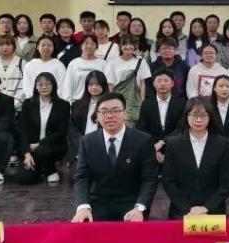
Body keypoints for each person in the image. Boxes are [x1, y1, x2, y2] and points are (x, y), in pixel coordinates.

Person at [72, 92, 158, 222]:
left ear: (125, 114)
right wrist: (83, 207)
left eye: (115, 111)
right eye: (104, 111)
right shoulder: (87, 141)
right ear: (97, 116)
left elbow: (149, 179)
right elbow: (82, 177)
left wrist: (140, 207)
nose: (109, 116)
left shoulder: (143, 140)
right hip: (98, 202)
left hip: (131, 203)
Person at [162, 97, 229, 219]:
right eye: (194, 115)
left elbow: (226, 183)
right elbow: (168, 181)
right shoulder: (173, 144)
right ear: (186, 116)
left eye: (203, 115)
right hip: (181, 211)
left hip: (213, 211)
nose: (199, 120)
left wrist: (207, 208)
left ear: (210, 117)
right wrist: (187, 208)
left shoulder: (222, 144)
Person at [17, 73, 70, 185]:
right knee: (25, 178)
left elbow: (62, 132)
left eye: (47, 84)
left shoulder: (63, 105)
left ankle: (50, 169)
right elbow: (23, 131)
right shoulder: (28, 104)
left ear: (53, 86)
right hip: (31, 148)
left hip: (53, 146)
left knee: (42, 150)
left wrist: (38, 144)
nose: (44, 87)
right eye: (40, 84)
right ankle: (40, 168)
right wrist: (26, 153)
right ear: (36, 87)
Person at [136, 68, 185, 164]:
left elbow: (181, 128)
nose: (162, 84)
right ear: (154, 84)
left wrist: (163, 142)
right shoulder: (147, 104)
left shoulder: (181, 103)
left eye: (166, 81)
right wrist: (154, 149)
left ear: (172, 83)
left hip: (175, 146)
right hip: (152, 147)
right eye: (159, 81)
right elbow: (142, 128)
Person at [105, 36, 152, 126]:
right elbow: (110, 84)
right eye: (125, 44)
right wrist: (110, 101)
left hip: (134, 100)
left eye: (131, 44)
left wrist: (142, 101)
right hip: (117, 98)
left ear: (135, 46)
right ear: (120, 46)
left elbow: (142, 84)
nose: (128, 47)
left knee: (133, 124)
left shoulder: (141, 61)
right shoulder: (112, 62)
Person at [68, 70, 108, 165]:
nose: (94, 87)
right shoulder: (77, 105)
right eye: (90, 84)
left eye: (97, 84)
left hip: (102, 150)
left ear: (103, 85)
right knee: (78, 173)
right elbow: (72, 129)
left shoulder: (110, 106)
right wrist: (83, 145)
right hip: (80, 149)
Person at [60, 34, 106, 103]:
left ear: (96, 47)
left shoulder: (102, 63)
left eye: (92, 44)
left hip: (97, 103)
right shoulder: (74, 63)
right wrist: (68, 102)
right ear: (81, 46)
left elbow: (106, 85)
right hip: (77, 102)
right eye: (86, 43)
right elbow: (67, 85)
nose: (89, 46)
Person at [0, 35, 25, 110]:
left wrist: (12, 105)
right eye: (1, 44)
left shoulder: (22, 63)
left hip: (17, 108)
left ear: (14, 46)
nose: (5, 47)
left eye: (8, 44)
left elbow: (24, 87)